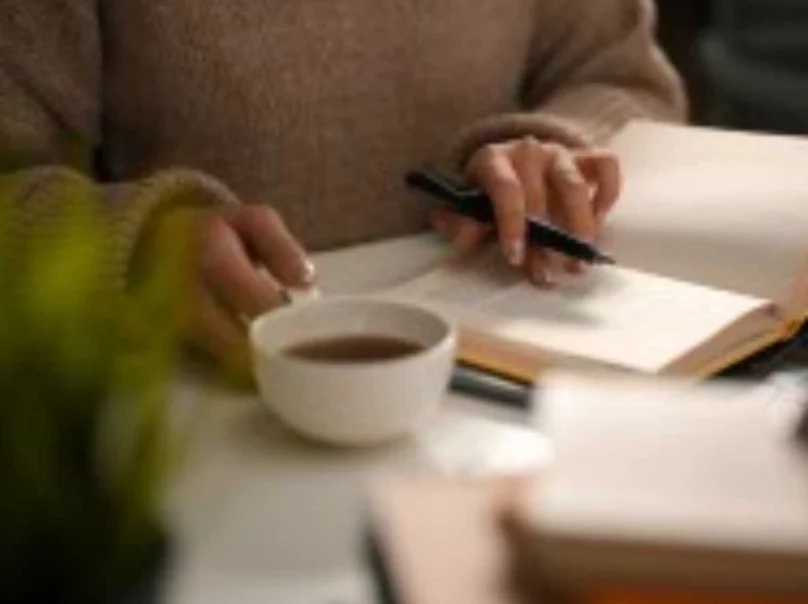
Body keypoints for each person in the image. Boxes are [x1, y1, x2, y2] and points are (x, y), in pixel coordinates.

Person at [0, 1, 686, 374]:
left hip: (497, 407)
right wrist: (132, 241)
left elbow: (625, 77)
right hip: (198, 412)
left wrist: (561, 150)